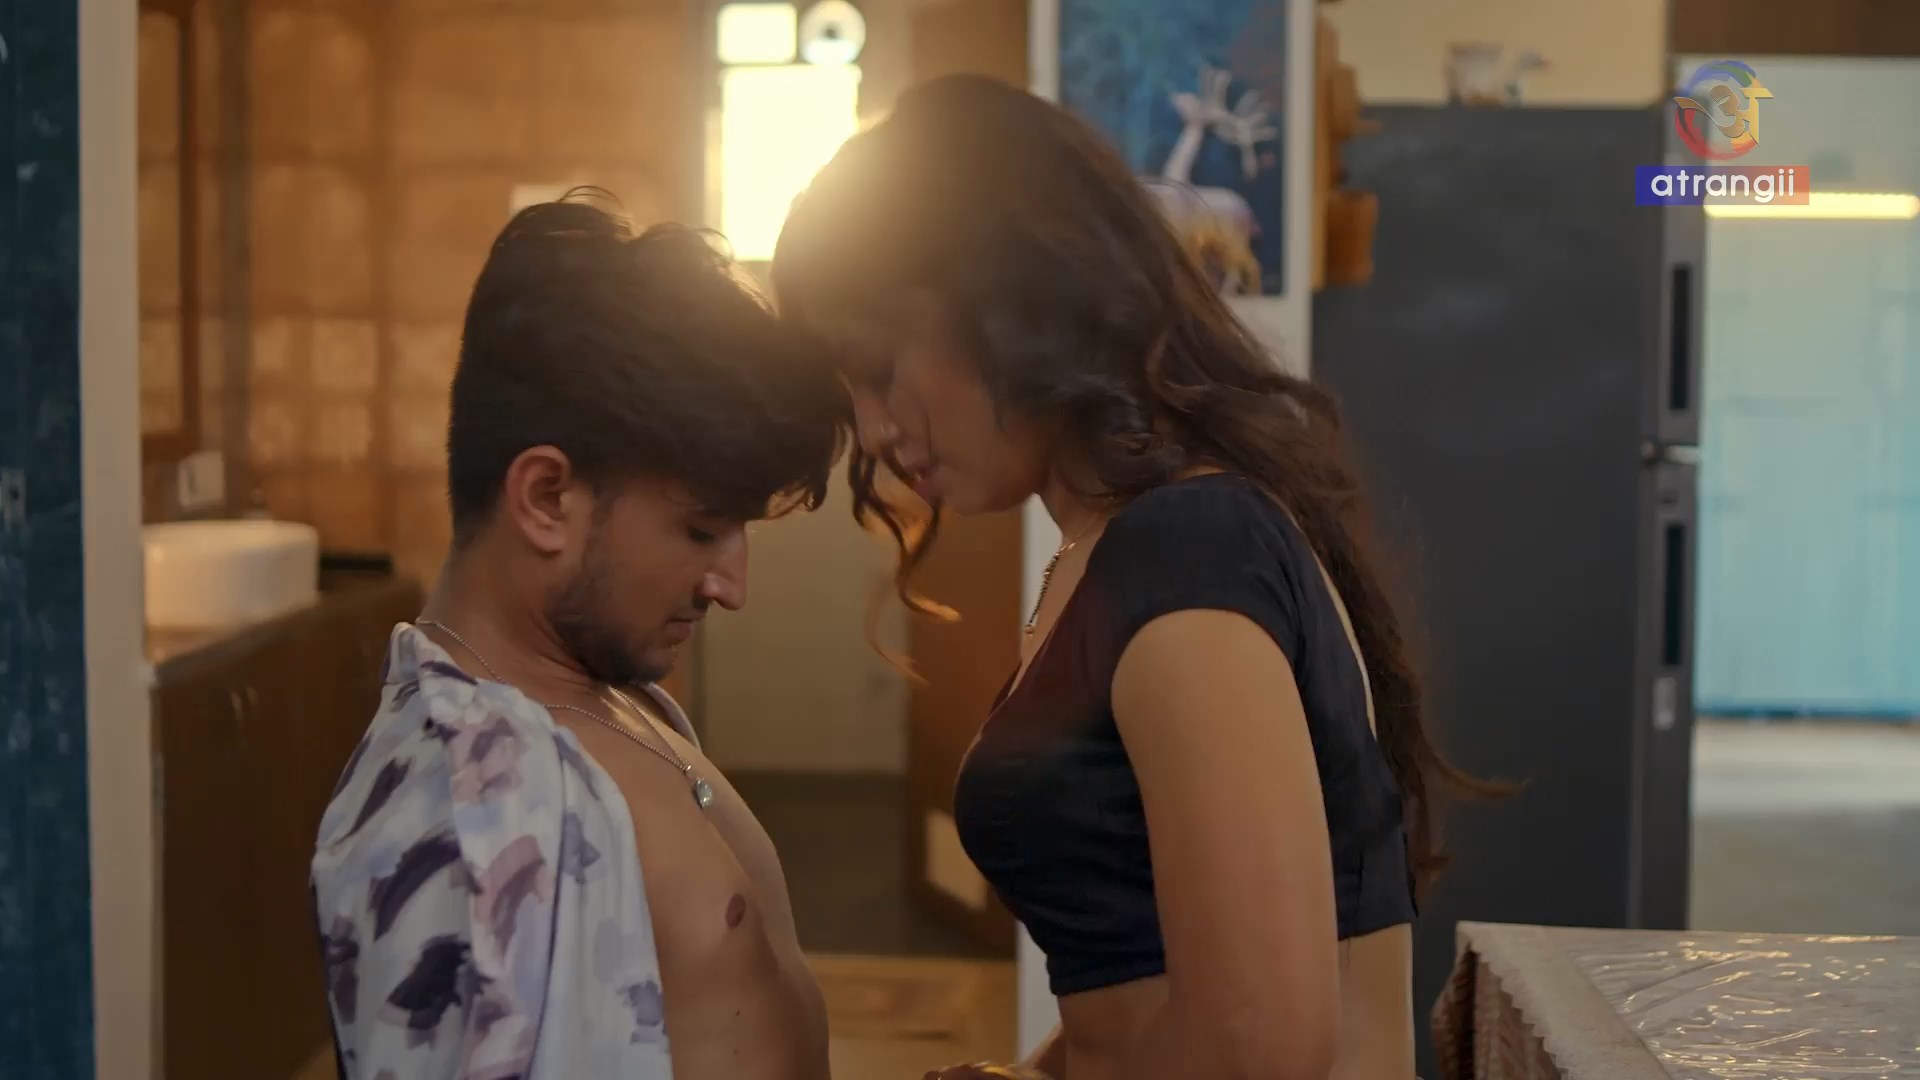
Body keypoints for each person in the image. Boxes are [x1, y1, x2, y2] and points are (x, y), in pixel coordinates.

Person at [773, 76, 1491, 1080]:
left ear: (1009, 301)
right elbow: (1148, 982)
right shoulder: (1129, 549)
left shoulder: (1188, 548)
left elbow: (1258, 1047)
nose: (876, 430)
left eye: (881, 366)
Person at [311, 194, 847, 1080]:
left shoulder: (613, 700)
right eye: (701, 530)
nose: (732, 586)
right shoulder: (463, 804)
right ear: (546, 498)